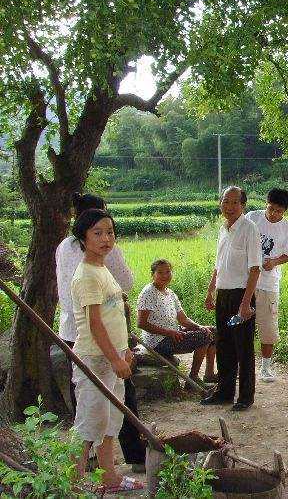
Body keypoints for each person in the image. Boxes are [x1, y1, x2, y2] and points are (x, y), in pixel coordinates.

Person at [55, 192, 146, 473]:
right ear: (83, 238)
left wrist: (124, 347)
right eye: (98, 233)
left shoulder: (100, 266)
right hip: (95, 355)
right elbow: (95, 323)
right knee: (90, 422)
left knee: (110, 420)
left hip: (110, 350)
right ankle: (72, 483)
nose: (106, 238)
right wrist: (116, 358)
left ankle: (109, 477)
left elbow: (114, 311)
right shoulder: (87, 274)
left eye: (110, 232)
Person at [201, 186, 262, 411]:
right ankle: (224, 392)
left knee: (242, 347)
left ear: (243, 205)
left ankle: (245, 397)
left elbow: (255, 269)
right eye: (226, 202)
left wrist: (246, 304)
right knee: (224, 344)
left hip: (241, 298)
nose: (229, 207)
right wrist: (210, 291)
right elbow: (218, 266)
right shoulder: (223, 229)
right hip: (223, 296)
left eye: (234, 202)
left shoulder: (249, 229)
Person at [136, 259, 216, 387]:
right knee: (204, 337)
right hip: (157, 341)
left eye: (168, 272)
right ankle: (193, 380)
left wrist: (199, 326)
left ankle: (209, 374)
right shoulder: (148, 292)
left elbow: (183, 319)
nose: (164, 275)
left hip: (173, 334)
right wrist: (169, 332)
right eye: (160, 272)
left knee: (211, 331)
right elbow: (141, 323)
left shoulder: (170, 293)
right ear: (153, 275)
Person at [246, 188, 288, 382]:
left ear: (285, 211)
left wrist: (274, 262)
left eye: (279, 211)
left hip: (269, 283)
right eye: (271, 208)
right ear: (266, 203)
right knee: (243, 326)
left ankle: (265, 368)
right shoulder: (252, 218)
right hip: (247, 280)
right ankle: (244, 365)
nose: (273, 213)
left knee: (268, 327)